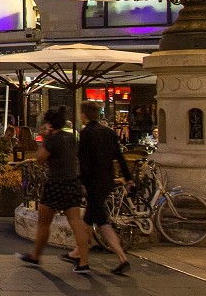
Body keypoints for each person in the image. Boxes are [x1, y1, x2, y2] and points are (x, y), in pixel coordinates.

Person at [19, 107, 92, 274]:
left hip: (55, 183)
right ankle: (84, 261)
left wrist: (45, 139)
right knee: (76, 222)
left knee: (44, 222)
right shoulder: (71, 137)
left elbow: (39, 159)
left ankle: (36, 255)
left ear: (50, 124)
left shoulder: (53, 139)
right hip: (72, 182)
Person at [75, 101, 132, 275]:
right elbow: (120, 157)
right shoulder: (108, 132)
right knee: (91, 220)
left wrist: (81, 182)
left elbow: (83, 161)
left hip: (93, 183)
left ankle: (121, 257)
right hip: (108, 181)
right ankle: (78, 254)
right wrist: (129, 179)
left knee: (101, 222)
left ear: (84, 115)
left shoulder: (86, 134)